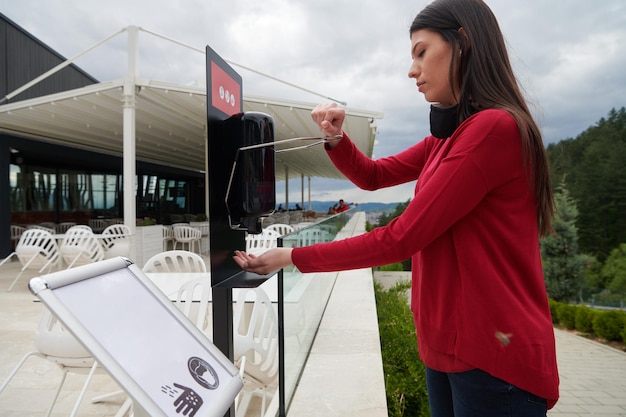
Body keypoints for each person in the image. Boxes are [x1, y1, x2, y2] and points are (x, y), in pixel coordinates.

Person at [234, 0, 559, 415]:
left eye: (421, 52)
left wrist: (292, 256)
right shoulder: (448, 138)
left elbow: (403, 237)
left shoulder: (492, 129)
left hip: (495, 353)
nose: (412, 70)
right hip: (449, 346)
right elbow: (373, 176)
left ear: (463, 44)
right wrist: (336, 138)